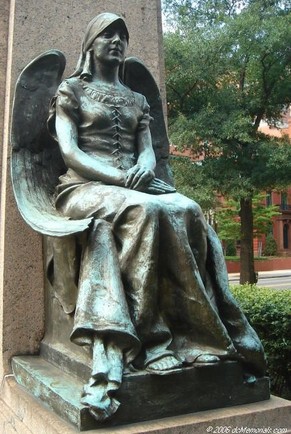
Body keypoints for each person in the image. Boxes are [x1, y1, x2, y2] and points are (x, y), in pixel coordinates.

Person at [47, 12, 266, 421]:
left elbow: (146, 148)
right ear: (91, 44)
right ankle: (151, 341)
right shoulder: (71, 90)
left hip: (134, 185)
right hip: (83, 189)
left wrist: (144, 168)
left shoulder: (137, 98)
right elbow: (69, 151)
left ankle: (200, 338)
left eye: (122, 36)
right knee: (143, 210)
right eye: (107, 35)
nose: (116, 42)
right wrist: (121, 180)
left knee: (187, 208)